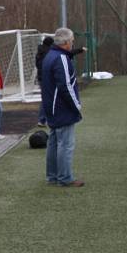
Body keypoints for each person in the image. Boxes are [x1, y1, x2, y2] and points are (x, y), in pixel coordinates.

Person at [41, 27, 84, 187]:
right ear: (66, 42)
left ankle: (53, 176)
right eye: (72, 40)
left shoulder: (50, 56)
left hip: (51, 107)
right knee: (65, 144)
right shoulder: (61, 59)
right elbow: (66, 86)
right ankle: (65, 178)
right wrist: (76, 105)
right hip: (61, 108)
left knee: (53, 143)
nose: (73, 43)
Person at [36, 36, 85, 127]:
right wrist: (76, 105)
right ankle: (43, 119)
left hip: (43, 78)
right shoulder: (55, 56)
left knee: (46, 98)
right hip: (48, 79)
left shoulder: (43, 53)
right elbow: (64, 85)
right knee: (51, 97)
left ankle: (43, 119)